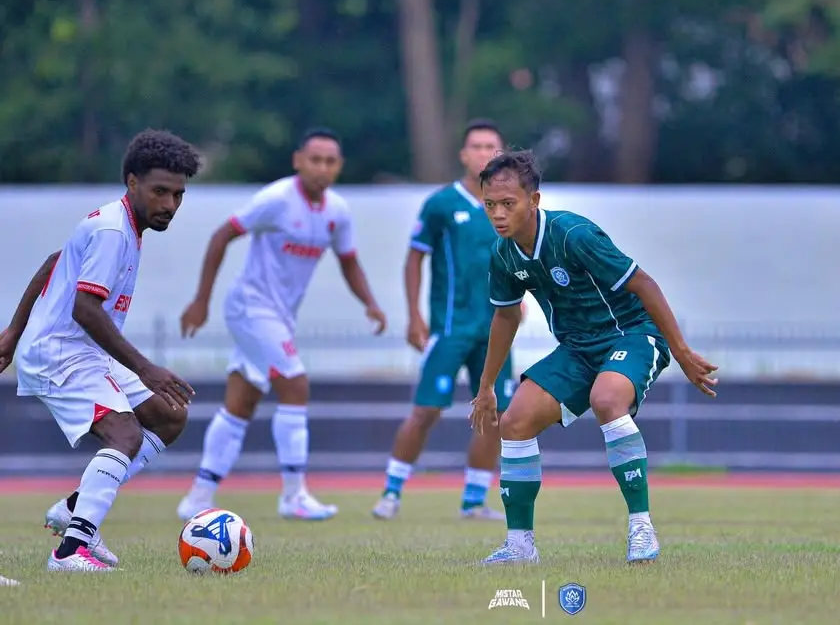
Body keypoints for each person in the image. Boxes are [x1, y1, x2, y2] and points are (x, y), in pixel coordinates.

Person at [468, 150, 718, 565]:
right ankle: (519, 545)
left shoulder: (573, 235)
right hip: (577, 349)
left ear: (534, 201)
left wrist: (682, 351)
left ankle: (641, 527)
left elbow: (644, 284)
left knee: (607, 399)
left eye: (508, 204)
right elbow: (507, 314)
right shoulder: (504, 253)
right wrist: (487, 386)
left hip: (632, 335)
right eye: (490, 205)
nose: (498, 214)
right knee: (513, 422)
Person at [0, 129, 202, 572]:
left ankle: (76, 508)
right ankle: (71, 551)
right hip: (61, 352)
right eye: (160, 192)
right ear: (132, 183)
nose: (170, 204)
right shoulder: (114, 229)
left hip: (82, 350)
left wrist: (12, 332)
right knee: (125, 436)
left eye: (178, 194)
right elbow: (85, 310)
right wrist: (146, 368)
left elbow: (57, 262)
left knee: (169, 416)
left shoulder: (124, 223)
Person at [176, 127, 387, 522]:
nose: (322, 168)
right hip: (250, 307)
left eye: (330, 161)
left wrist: (371, 304)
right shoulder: (275, 199)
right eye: (315, 159)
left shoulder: (338, 212)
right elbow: (222, 235)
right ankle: (294, 494)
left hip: (279, 317)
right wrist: (201, 300)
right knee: (295, 382)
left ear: (338, 166)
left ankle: (197, 496)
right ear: (298, 161)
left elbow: (349, 261)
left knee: (241, 402)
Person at [372, 119, 518, 521]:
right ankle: (391, 492)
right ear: (463, 155)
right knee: (427, 410)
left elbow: (522, 258)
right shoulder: (441, 204)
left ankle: (473, 501)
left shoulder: (510, 204)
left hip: (496, 330)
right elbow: (415, 256)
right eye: (477, 146)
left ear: (502, 154)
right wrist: (415, 314)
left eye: (492, 146)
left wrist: (522, 300)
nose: (484, 153)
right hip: (451, 327)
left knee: (493, 415)